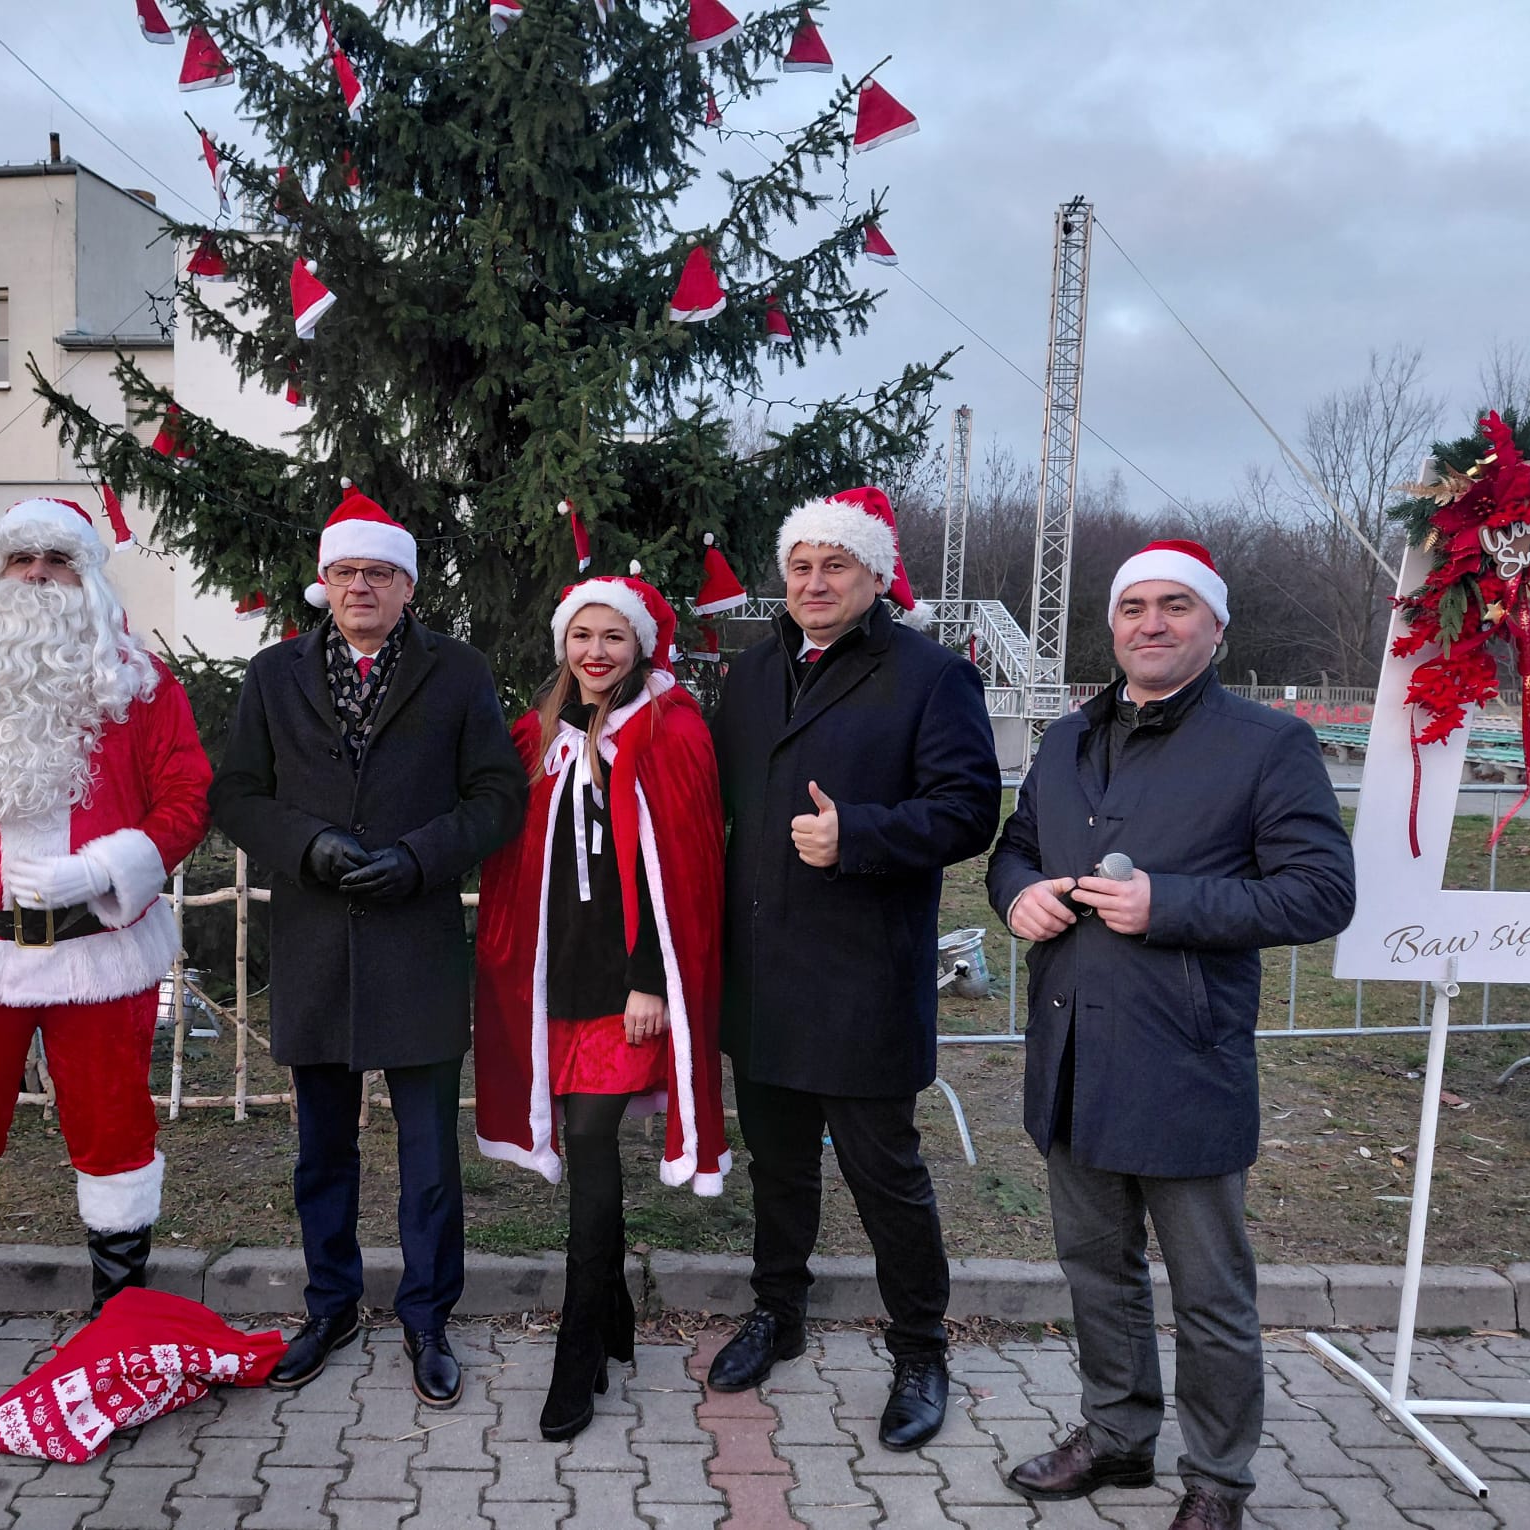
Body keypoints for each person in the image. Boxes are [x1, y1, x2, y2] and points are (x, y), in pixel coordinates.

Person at [987, 539, 1355, 1530]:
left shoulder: (1266, 745)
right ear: (1111, 625)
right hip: (1072, 1051)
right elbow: (1015, 848)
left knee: (1209, 1293)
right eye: (1133, 606)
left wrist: (1172, 905)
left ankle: (1217, 1480)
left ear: (1216, 626)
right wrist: (1018, 895)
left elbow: (1322, 893)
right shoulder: (1067, 739)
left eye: (1176, 606)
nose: (1151, 623)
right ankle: (1116, 1435)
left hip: (1183, 1060)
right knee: (1096, 1269)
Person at [0, 496, 212, 1401]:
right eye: (23, 559)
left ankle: (119, 1315)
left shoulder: (140, 683)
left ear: (88, 577)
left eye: (58, 561)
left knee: (116, 1134)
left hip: (98, 955)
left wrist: (97, 869)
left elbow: (186, 800)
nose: (40, 575)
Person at [209, 482, 525, 1408]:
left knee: (428, 1156)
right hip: (315, 942)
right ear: (324, 581)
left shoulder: (457, 671)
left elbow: (497, 796)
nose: (361, 587)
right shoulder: (274, 675)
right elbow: (237, 794)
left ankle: (427, 1316)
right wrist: (306, 844)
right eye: (346, 572)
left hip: (415, 943)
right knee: (322, 1152)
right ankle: (331, 1306)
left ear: (408, 587)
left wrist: (422, 858)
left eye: (380, 574)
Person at [707, 486, 1001, 1452]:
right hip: (762, 974)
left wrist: (861, 836)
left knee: (887, 1177)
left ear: (876, 576)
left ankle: (920, 1349)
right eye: (801, 566)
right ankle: (777, 1312)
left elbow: (969, 810)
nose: (815, 582)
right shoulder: (753, 674)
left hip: (862, 976)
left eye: (836, 565)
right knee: (778, 1166)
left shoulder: (931, 675)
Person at [473, 572, 730, 1442]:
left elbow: (684, 868)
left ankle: (578, 1346)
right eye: (581, 636)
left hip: (627, 988)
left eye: (612, 637)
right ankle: (614, 1310)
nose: (595, 652)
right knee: (586, 1151)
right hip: (557, 982)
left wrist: (652, 978)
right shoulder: (537, 734)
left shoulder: (671, 730)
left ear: (639, 645)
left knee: (588, 1140)